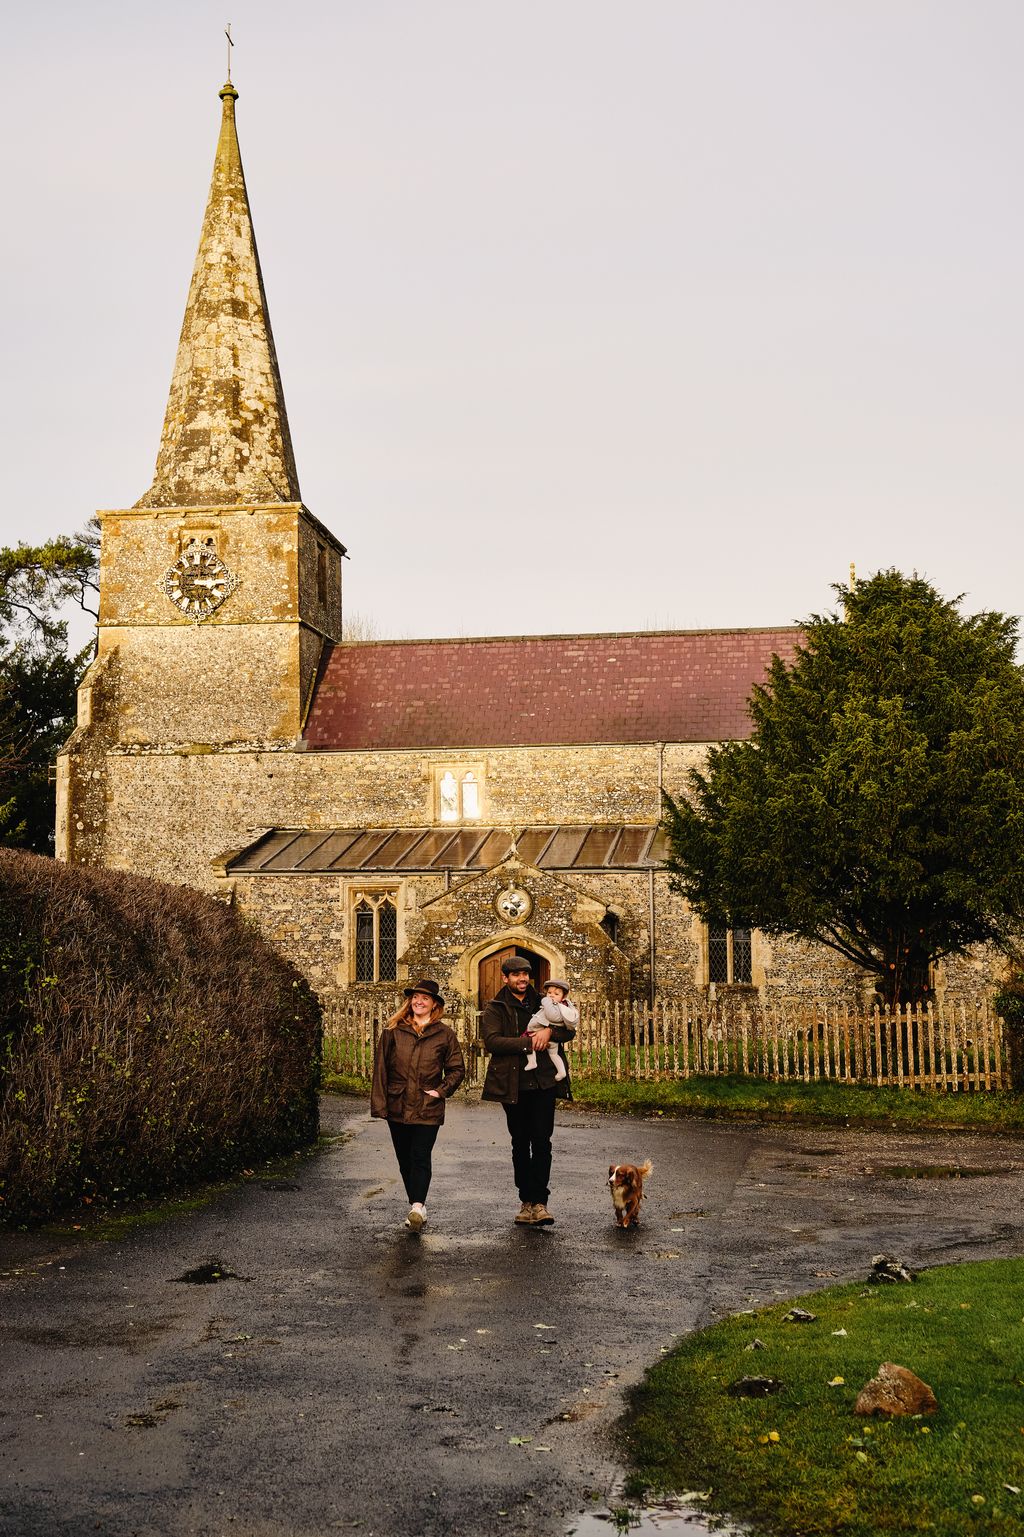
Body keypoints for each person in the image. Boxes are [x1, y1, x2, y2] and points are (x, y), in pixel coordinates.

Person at [481, 956, 575, 1227]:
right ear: (505, 978)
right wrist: (530, 1042)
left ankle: (541, 1203)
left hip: (544, 1080)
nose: (522, 979)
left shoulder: (545, 1000)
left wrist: (550, 1033)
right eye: (516, 975)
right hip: (514, 1084)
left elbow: (569, 1030)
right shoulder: (496, 1007)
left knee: (542, 1141)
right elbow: (493, 1042)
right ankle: (526, 1202)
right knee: (520, 1142)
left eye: (525, 974)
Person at [370, 979, 465, 1230]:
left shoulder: (444, 1034)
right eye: (415, 998)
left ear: (434, 1004)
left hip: (427, 1106)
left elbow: (456, 1069)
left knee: (420, 1155)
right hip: (397, 1104)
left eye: (425, 998)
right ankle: (417, 1205)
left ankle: (417, 1207)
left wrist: (441, 1091)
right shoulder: (393, 1031)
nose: (419, 1001)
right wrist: (380, 1105)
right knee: (405, 1160)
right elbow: (381, 1069)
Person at [524, 978, 578, 1081]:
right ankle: (561, 1072)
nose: (551, 995)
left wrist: (545, 1001)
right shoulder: (556, 1005)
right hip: (549, 1037)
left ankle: (532, 1062)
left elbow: (552, 1016)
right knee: (553, 1054)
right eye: (549, 993)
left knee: (529, 1042)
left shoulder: (559, 1007)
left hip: (547, 1035)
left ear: (563, 997)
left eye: (556, 994)